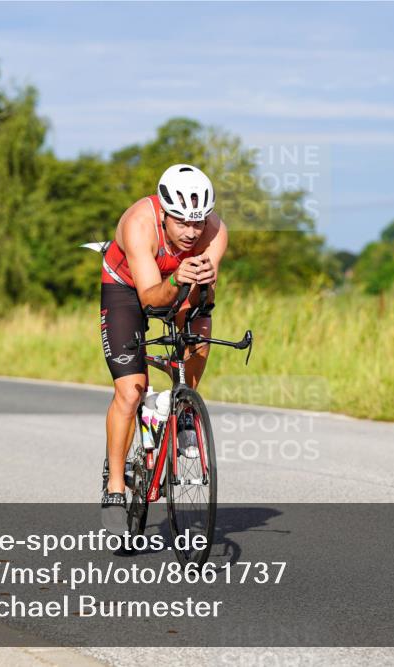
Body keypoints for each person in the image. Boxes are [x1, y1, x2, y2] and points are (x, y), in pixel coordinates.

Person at [99, 164, 228, 532]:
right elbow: (151, 300)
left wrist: (201, 288)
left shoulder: (216, 232)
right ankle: (114, 486)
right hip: (127, 287)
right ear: (164, 214)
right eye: (182, 222)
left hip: (177, 284)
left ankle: (184, 408)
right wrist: (176, 279)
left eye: (197, 223)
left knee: (198, 328)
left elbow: (202, 300)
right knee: (131, 389)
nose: (191, 232)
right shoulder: (139, 223)